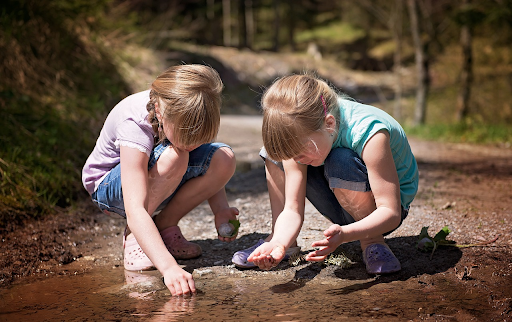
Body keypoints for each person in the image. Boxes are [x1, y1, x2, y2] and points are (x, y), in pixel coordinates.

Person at [232, 74, 418, 273]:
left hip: (381, 214)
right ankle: (281, 238)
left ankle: (372, 241)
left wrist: (346, 234)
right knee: (273, 153)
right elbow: (292, 209)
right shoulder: (306, 137)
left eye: (301, 153)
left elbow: (391, 213)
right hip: (341, 203)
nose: (297, 160)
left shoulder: (369, 132)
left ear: (329, 124)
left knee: (340, 159)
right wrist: (279, 242)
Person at [82, 64, 239, 296]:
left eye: (200, 139)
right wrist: (169, 268)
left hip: (158, 175)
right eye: (188, 137)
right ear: (159, 110)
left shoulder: (184, 110)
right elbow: (135, 208)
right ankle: (135, 236)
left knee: (222, 158)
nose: (194, 144)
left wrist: (221, 209)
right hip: (109, 187)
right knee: (176, 155)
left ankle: (165, 226)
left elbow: (205, 161)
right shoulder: (134, 124)